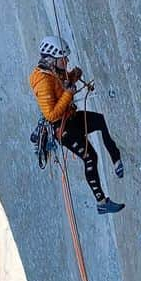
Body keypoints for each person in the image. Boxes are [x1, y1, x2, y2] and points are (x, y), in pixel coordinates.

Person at [29, 36, 125, 214]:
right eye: (63, 58)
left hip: (71, 119)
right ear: (52, 58)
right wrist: (68, 94)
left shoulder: (52, 72)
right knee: (90, 157)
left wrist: (74, 76)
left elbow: (63, 84)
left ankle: (116, 158)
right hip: (63, 129)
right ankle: (102, 202)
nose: (66, 61)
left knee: (100, 121)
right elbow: (51, 115)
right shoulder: (43, 82)